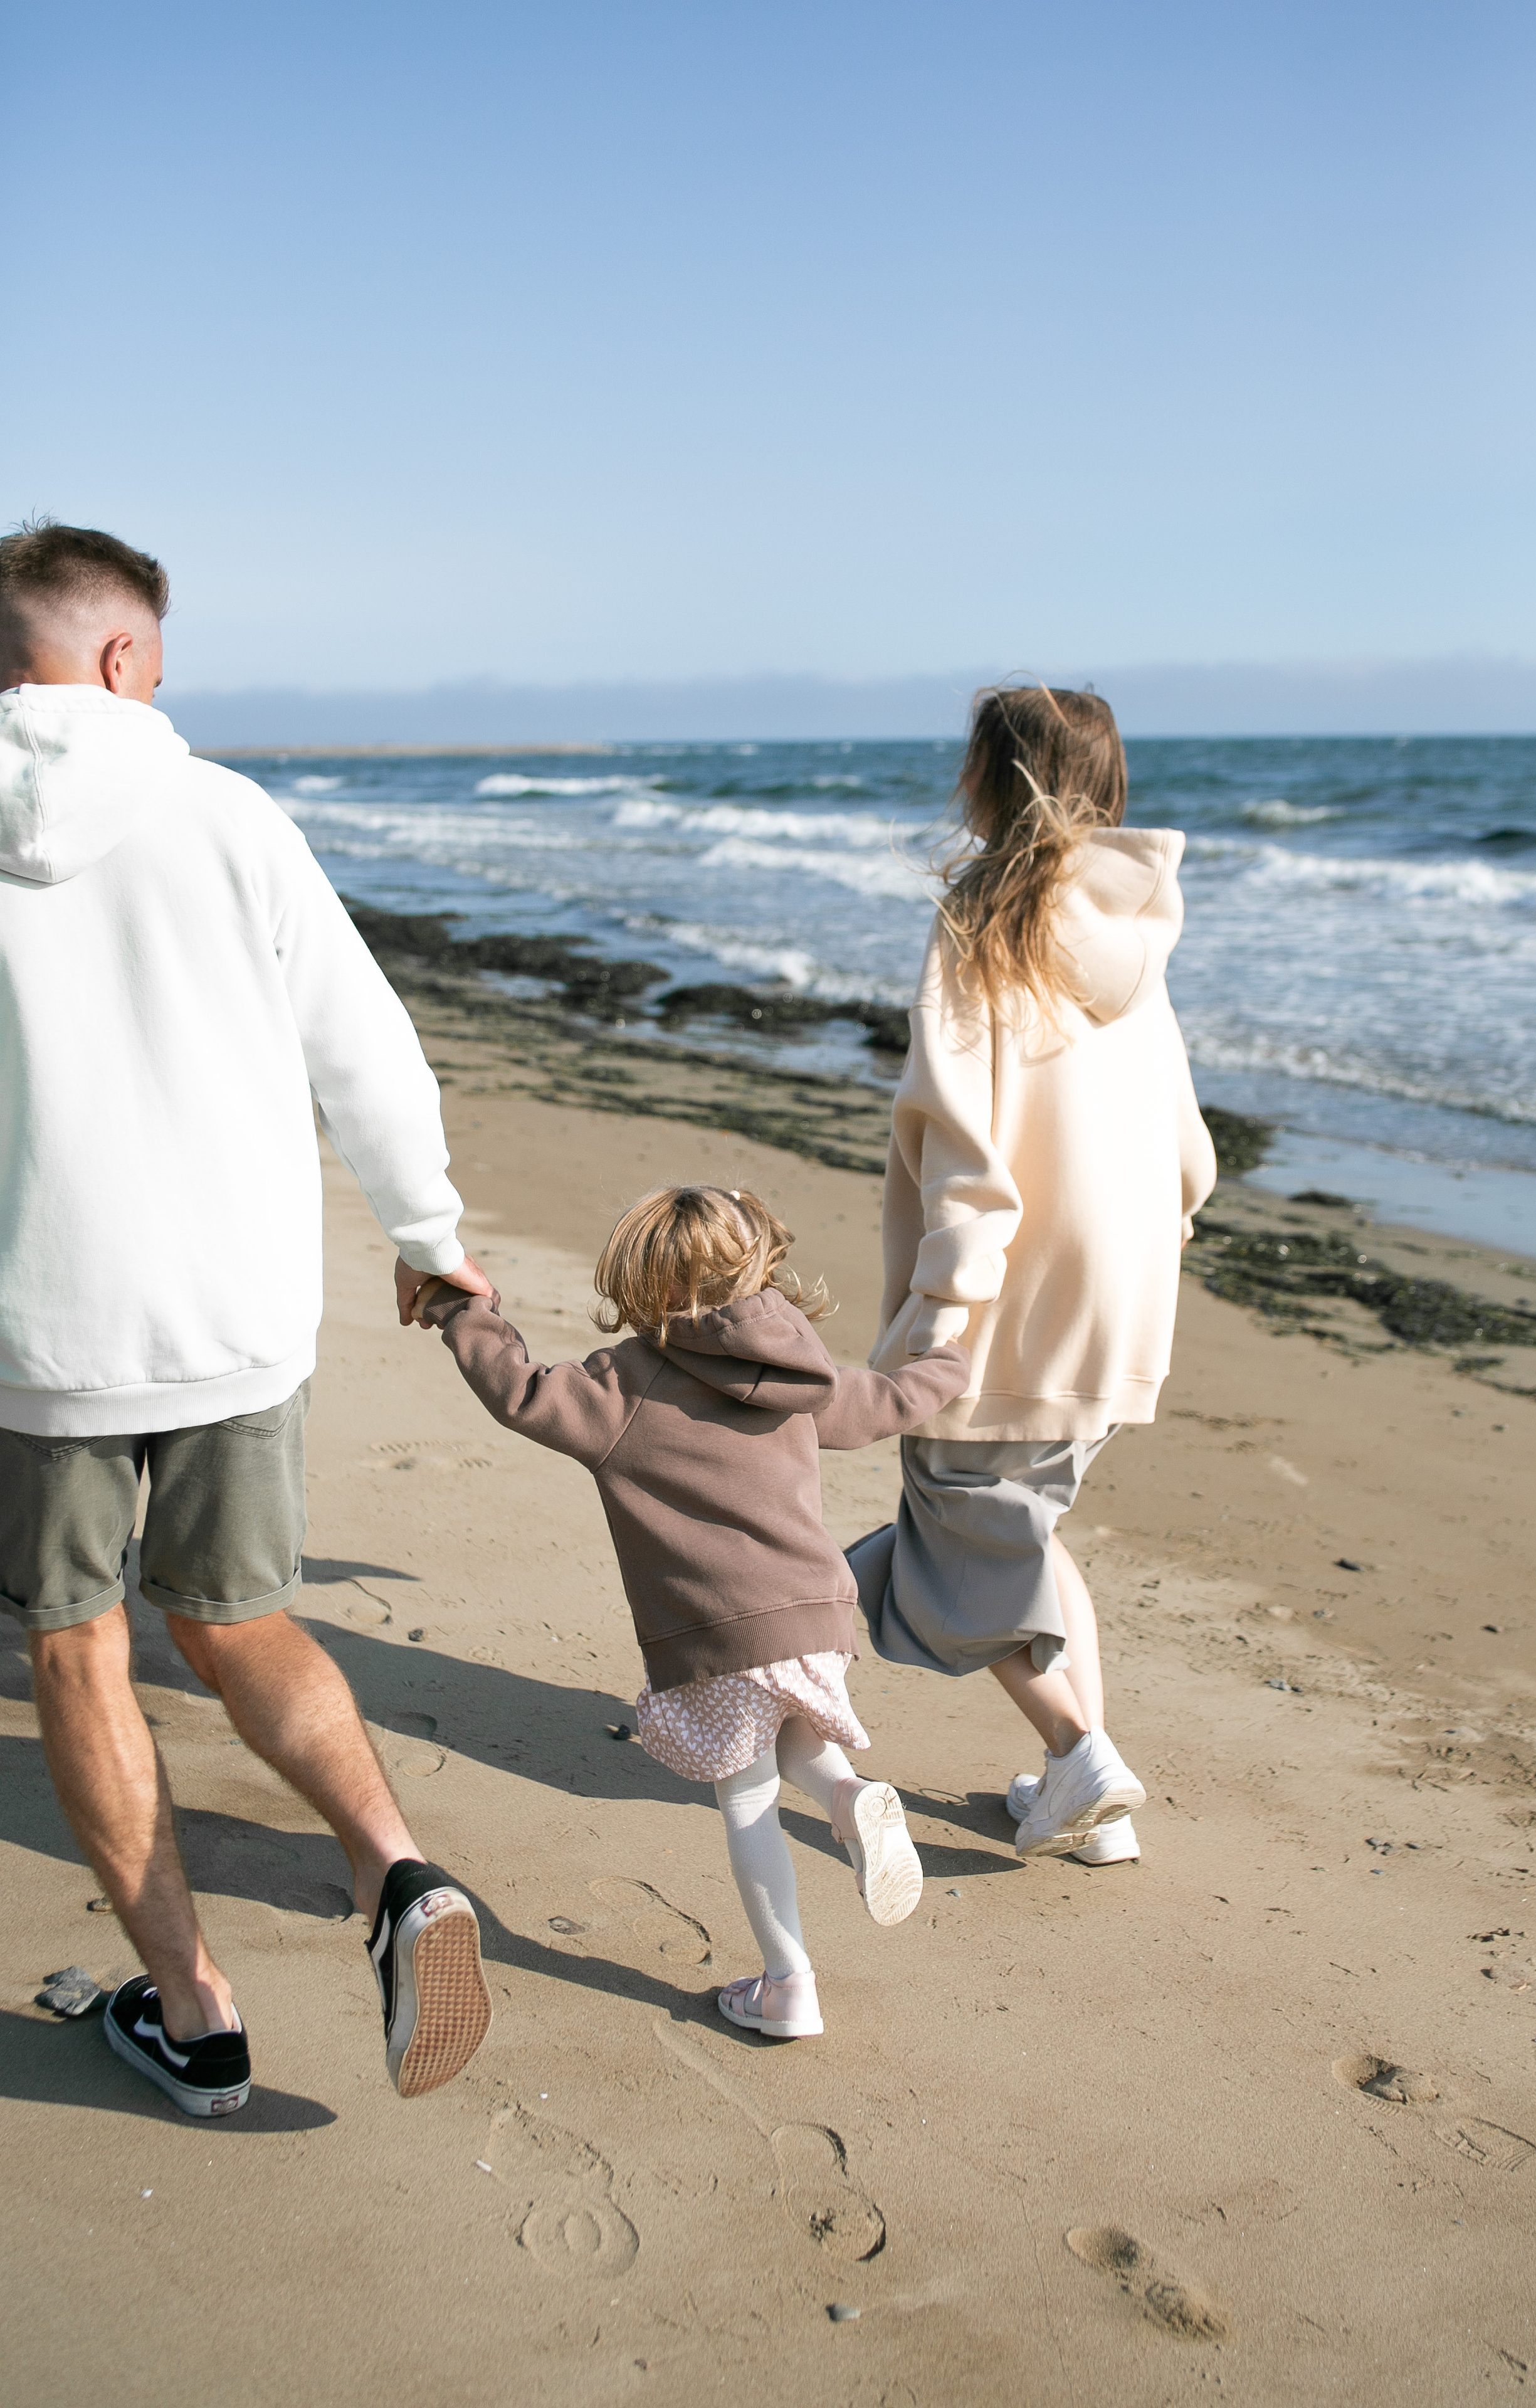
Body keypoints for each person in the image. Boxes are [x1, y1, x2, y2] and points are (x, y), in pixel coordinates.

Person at [0, 520, 495, 2116]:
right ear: (122, 656)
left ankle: (196, 2011)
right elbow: (367, 1049)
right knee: (237, 1619)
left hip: (38, 1336)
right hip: (234, 1314)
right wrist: (428, 1238)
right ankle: (397, 1869)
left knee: (80, 1647)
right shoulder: (228, 814)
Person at [409, 1182, 968, 2039]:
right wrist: (952, 1364)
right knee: (795, 1738)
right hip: (817, 1616)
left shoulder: (625, 1385)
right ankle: (850, 1795)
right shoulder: (798, 1366)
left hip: (720, 1633)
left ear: (646, 1285)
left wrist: (458, 1307)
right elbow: (884, 1405)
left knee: (747, 1804)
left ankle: (789, 1985)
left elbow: (517, 1390)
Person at [848, 685, 1216, 1864]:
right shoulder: (1134, 920)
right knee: (1029, 1534)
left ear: (992, 779)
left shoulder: (983, 913)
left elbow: (961, 1128)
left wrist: (945, 1302)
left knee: (953, 1539)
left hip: (1016, 1282)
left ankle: (1078, 1752)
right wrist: (1175, 1216)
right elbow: (1182, 1119)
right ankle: (1085, 1806)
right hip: (1125, 1277)